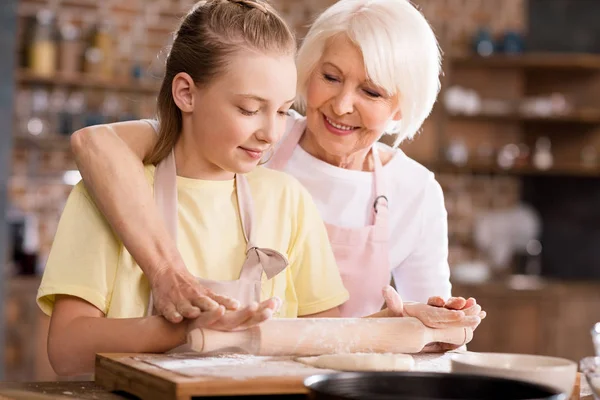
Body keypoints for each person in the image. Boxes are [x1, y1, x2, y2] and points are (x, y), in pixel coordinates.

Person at [71, 0, 486, 320]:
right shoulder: (255, 138)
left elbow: (427, 329)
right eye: (330, 77)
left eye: (371, 92)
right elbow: (97, 144)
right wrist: (166, 274)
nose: (342, 105)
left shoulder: (416, 191)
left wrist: (434, 325)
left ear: (401, 108)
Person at [38, 0, 354, 377]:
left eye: (283, 110)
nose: (271, 133)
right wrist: (179, 331)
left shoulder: (288, 199)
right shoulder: (105, 193)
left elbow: (328, 344)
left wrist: (403, 325)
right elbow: (67, 350)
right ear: (186, 93)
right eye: (250, 109)